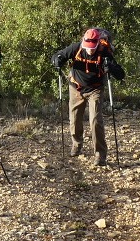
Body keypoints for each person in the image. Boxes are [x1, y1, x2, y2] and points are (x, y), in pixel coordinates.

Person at [51, 28, 125, 167]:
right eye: (87, 47)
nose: (90, 50)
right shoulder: (76, 48)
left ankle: (100, 155)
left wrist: (111, 67)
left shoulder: (104, 52)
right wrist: (57, 60)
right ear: (83, 43)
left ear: (97, 43)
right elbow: (57, 56)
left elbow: (121, 74)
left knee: (95, 120)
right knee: (74, 119)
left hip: (95, 89)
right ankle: (77, 144)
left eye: (93, 47)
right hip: (76, 87)